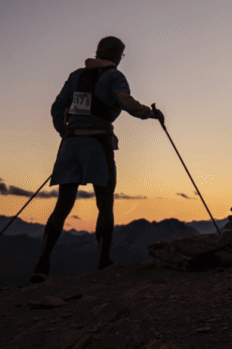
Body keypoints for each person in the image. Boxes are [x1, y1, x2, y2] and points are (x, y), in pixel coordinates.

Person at [31, 36, 163, 283]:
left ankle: (42, 265)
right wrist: (151, 114)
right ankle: (103, 262)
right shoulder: (114, 76)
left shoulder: (75, 76)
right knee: (104, 203)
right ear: (117, 56)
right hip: (97, 144)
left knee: (62, 206)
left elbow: (57, 107)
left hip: (70, 145)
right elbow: (127, 103)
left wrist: (66, 132)